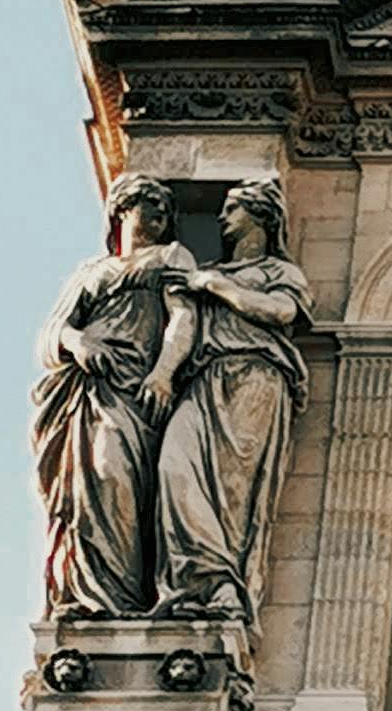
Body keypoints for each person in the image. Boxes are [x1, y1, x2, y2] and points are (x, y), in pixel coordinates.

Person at [30, 173, 197, 618]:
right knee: (92, 485)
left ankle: (124, 597)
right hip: (92, 391)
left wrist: (163, 374)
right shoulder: (91, 272)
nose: (161, 216)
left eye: (166, 210)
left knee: (122, 482)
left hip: (139, 391)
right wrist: (79, 343)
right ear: (122, 211)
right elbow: (54, 332)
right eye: (152, 206)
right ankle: (94, 598)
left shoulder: (171, 257)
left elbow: (183, 318)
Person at [153, 180, 312, 629]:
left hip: (255, 379)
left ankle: (223, 586)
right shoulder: (207, 272)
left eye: (231, 210)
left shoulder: (279, 272)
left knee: (233, 490)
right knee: (174, 469)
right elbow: (182, 327)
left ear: (260, 217)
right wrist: (163, 373)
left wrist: (215, 285)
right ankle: (194, 581)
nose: (222, 219)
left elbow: (280, 312)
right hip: (203, 380)